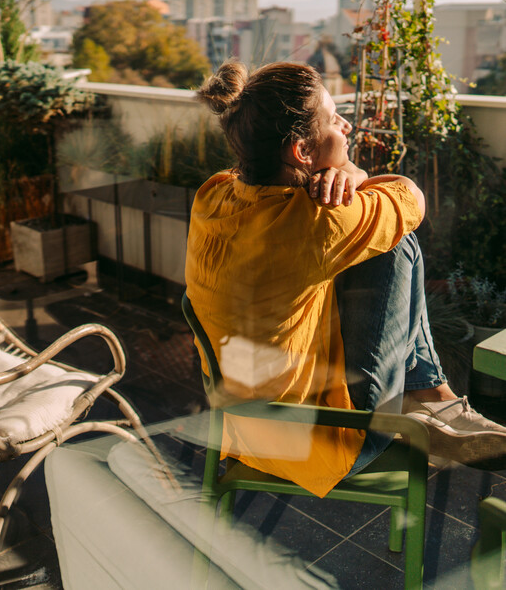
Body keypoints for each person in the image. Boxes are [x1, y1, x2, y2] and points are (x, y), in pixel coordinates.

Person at [185, 60, 506, 498]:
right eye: (335, 120)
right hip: (324, 441)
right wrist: (352, 174)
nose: (347, 125)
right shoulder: (317, 223)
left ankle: (432, 397)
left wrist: (343, 172)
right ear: (301, 151)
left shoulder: (214, 193)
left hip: (240, 430)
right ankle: (430, 397)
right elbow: (412, 198)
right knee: (396, 244)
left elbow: (347, 197)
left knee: (367, 245)